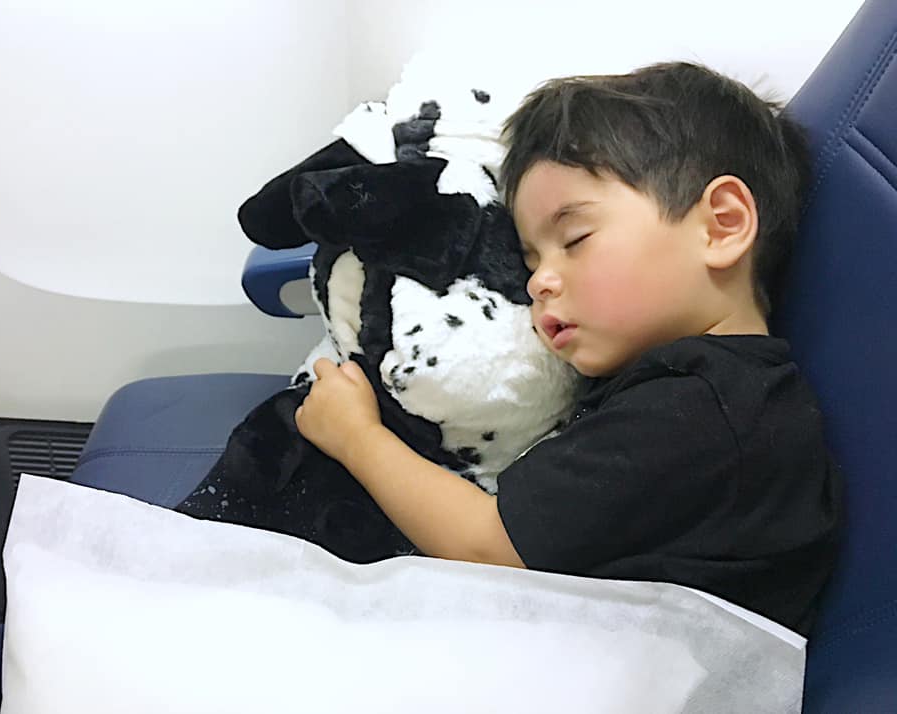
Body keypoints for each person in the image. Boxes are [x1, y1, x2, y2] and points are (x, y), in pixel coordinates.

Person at [293, 61, 842, 635]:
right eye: (531, 260)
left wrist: (356, 437)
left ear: (721, 226)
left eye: (574, 239)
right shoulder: (716, 391)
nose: (538, 282)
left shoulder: (701, 417)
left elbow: (488, 547)